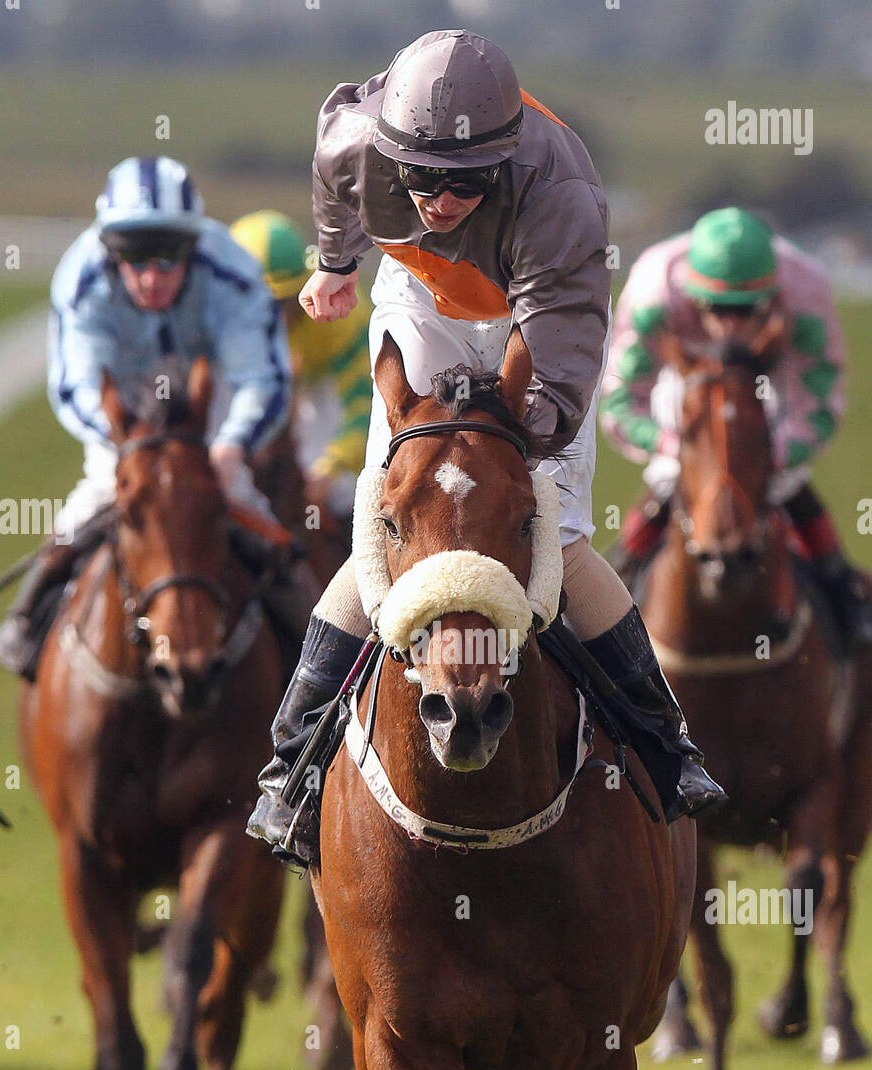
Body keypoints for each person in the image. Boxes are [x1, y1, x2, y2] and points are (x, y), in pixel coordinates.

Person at [248, 28, 724, 862]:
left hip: (530, 312)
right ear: (391, 152)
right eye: (420, 179)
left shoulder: (562, 200)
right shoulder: (356, 140)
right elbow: (335, 182)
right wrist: (333, 261)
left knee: (556, 530)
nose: (437, 199)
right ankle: (290, 769)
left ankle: (666, 748)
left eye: (463, 183)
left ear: (502, 163)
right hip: (420, 298)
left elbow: (566, 357)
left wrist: (510, 450)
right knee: (389, 516)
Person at [0, 156, 293, 679]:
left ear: (194, 247)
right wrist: (123, 445)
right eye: (133, 256)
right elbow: (75, 385)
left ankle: (310, 645)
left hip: (207, 404)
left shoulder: (234, 273)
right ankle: (27, 620)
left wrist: (230, 448)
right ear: (110, 249)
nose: (152, 276)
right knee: (95, 501)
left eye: (169, 256)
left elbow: (260, 381)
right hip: (121, 414)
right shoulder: (82, 278)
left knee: (246, 505)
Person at [600, 206, 872, 648]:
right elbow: (620, 401)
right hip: (686, 383)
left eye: (747, 309)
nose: (731, 325)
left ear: (772, 295)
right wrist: (676, 447)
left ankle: (843, 589)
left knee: (786, 478)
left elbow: (820, 404)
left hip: (772, 385)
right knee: (672, 475)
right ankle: (620, 574)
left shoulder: (806, 292)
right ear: (691, 296)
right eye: (716, 308)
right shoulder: (655, 289)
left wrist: (772, 454)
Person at [229, 209, 372, 532]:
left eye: (285, 303)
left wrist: (330, 468)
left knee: (343, 491)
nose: (276, 321)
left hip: (319, 392)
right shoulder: (212, 314)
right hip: (246, 391)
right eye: (262, 307)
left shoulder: (339, 309)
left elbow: (364, 405)